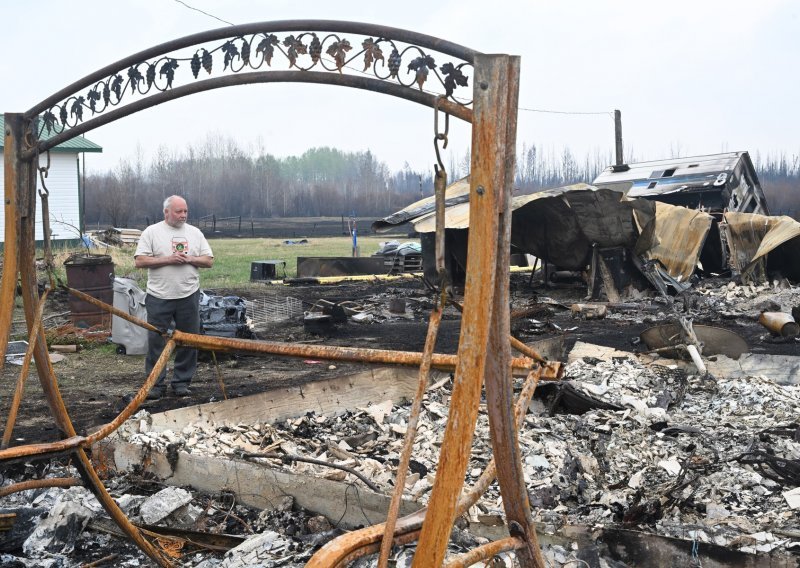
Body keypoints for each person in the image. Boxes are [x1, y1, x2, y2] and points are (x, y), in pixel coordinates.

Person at [134, 195, 214, 399]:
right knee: (156, 342)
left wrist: (191, 258)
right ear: (166, 212)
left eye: (185, 211)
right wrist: (168, 259)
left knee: (189, 340)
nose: (183, 215)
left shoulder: (195, 233)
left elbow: (208, 260)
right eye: (179, 211)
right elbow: (140, 261)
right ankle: (156, 385)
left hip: (188, 295)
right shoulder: (152, 232)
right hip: (159, 295)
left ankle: (181, 383)